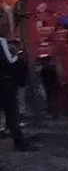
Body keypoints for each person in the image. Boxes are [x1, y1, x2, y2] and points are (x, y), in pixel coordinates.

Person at [0, 20, 35, 151]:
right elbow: (9, 60)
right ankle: (20, 142)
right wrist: (19, 58)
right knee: (11, 112)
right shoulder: (1, 41)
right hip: (5, 82)